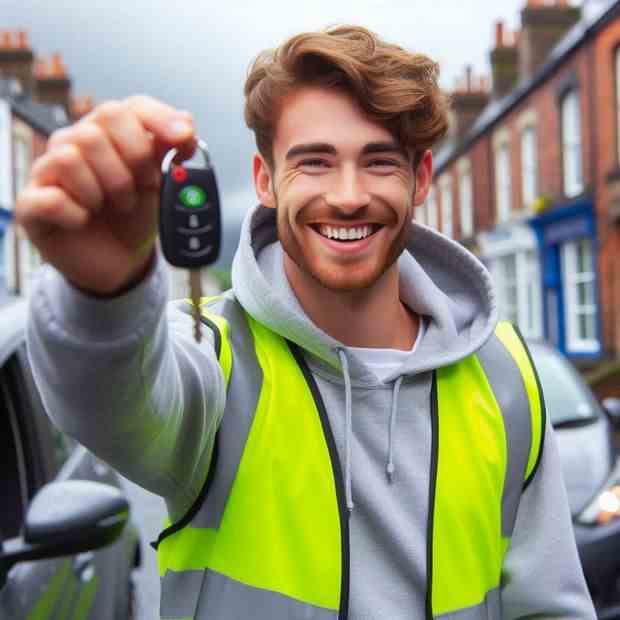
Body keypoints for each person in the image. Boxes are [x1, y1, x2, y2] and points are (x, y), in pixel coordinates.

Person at [17, 25, 595, 619]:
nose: (347, 196)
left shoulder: (503, 368)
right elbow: (111, 402)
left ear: (420, 179)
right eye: (314, 162)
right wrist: (102, 293)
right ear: (265, 180)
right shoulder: (213, 354)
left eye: (379, 162)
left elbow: (548, 604)